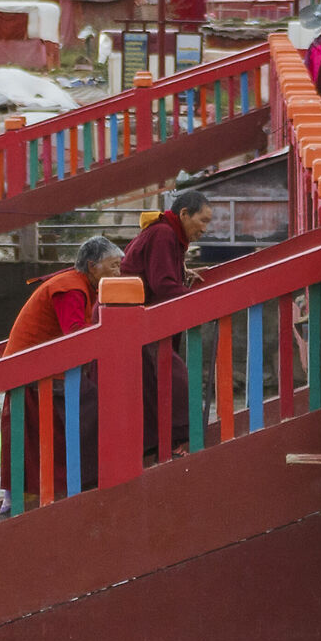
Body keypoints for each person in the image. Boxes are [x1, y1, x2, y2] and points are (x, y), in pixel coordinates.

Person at [4, 236, 122, 496]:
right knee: (96, 411)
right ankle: (84, 484)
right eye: (113, 266)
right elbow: (76, 334)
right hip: (35, 373)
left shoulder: (78, 284)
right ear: (92, 267)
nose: (118, 272)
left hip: (38, 369)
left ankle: (70, 486)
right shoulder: (71, 288)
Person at [124, 191, 207, 454]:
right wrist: (201, 299)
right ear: (184, 214)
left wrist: (182, 273)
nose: (204, 229)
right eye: (202, 221)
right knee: (175, 377)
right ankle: (183, 435)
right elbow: (161, 283)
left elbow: (157, 272)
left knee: (153, 382)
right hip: (133, 317)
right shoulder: (164, 234)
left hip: (139, 317)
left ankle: (161, 442)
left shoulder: (168, 233)